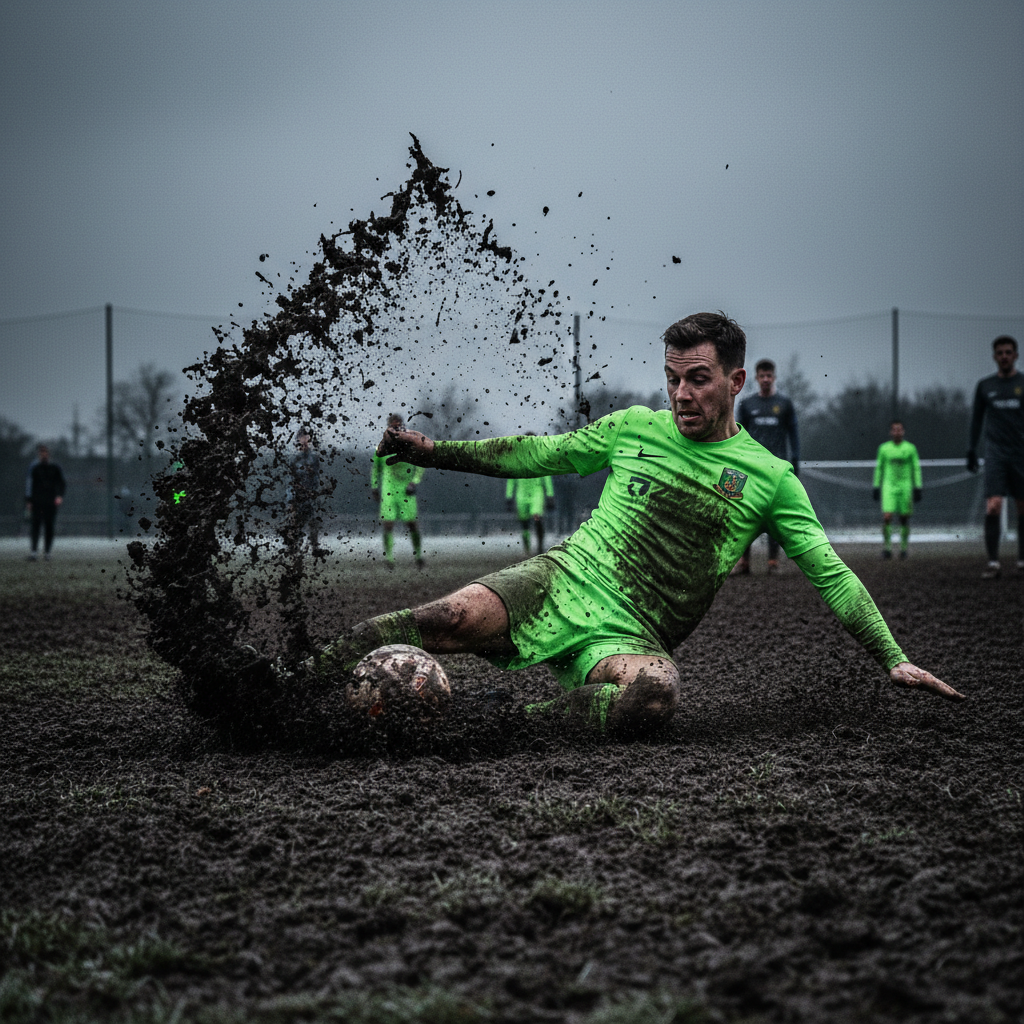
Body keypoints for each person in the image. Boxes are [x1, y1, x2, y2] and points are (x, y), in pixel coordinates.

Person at [293, 312, 961, 737]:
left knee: (655, 692)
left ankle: (488, 725)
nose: (680, 394)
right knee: (447, 618)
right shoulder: (634, 428)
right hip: (561, 578)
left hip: (629, 631)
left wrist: (891, 657)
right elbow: (535, 453)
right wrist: (434, 453)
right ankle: (284, 694)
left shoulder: (770, 478)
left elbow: (832, 575)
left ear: (734, 383)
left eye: (697, 379)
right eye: (672, 378)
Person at [733, 358, 800, 574]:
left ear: (774, 377)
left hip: (776, 468)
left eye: (769, 376)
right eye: (761, 376)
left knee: (773, 513)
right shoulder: (747, 404)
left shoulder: (785, 404)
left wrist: (795, 459)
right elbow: (737, 434)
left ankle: (773, 562)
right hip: (751, 467)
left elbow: (794, 434)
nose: (765, 379)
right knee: (745, 513)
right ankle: (744, 563)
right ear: (756, 377)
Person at [967, 335, 1024, 578]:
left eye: (1008, 352)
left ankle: (1022, 561)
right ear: (994, 356)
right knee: (993, 506)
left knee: (1023, 507)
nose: (1004, 356)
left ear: (1016, 355)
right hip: (996, 454)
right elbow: (977, 420)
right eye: (1000, 352)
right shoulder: (985, 386)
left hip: (1021, 453)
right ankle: (993, 563)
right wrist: (971, 449)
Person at [371, 413, 425, 567]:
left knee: (412, 524)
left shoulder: (411, 445)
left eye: (398, 425)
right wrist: (374, 486)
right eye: (393, 426)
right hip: (388, 489)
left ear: (403, 427)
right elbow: (376, 469)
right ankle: (389, 558)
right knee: (388, 523)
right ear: (389, 427)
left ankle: (419, 555)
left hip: (406, 490)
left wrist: (414, 482)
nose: (396, 428)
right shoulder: (381, 447)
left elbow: (420, 465)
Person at [873, 421, 922, 560]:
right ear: (890, 432)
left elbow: (916, 467)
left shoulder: (910, 448)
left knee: (904, 518)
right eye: (894, 430)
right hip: (889, 486)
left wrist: (917, 486)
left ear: (903, 431)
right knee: (887, 516)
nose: (897, 432)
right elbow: (879, 468)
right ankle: (887, 549)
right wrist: (876, 486)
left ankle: (903, 549)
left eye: (899, 429)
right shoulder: (884, 448)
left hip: (905, 486)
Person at [505, 435, 555, 555]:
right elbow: (511, 479)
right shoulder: (516, 460)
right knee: (524, 522)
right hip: (521, 494)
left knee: (536, 516)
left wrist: (550, 495)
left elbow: (546, 478)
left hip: (536, 493)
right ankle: (527, 548)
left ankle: (539, 547)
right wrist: (509, 497)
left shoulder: (540, 459)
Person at [286, 425, 326, 558]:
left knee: (313, 520)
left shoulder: (314, 458)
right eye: (302, 437)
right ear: (298, 439)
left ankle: (315, 547)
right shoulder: (294, 458)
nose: (305, 440)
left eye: (307, 437)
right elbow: (290, 479)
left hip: (310, 494)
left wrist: (315, 493)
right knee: (294, 522)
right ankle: (292, 548)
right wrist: (291, 498)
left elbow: (316, 478)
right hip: (297, 495)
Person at [25, 444, 66, 561]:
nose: (43, 454)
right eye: (41, 452)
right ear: (39, 454)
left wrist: (59, 496)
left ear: (48, 454)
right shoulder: (34, 469)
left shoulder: (55, 468)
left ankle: (47, 553)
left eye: (45, 452)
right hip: (37, 502)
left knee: (49, 527)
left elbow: (61, 484)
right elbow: (29, 485)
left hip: (50, 502)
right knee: (35, 527)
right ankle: (34, 553)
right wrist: (29, 500)